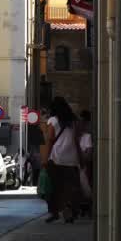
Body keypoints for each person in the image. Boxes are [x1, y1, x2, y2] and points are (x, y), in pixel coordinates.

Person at [44, 96, 81, 224]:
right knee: (69, 187)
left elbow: (50, 139)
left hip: (57, 157)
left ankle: (55, 212)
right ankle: (69, 211)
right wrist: (79, 157)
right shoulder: (73, 121)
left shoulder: (53, 120)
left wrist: (46, 158)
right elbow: (76, 140)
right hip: (72, 157)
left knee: (55, 187)